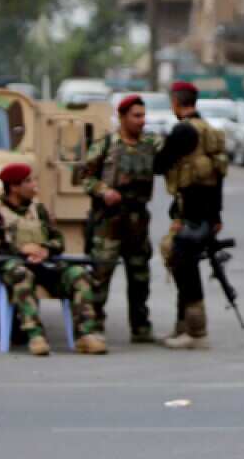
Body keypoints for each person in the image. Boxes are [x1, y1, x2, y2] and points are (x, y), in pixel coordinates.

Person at [0, 163, 106, 356]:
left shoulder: (40, 210)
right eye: (29, 181)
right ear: (14, 187)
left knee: (79, 275)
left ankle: (86, 335)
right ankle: (35, 335)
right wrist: (20, 250)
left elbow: (57, 240)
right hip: (13, 266)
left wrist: (45, 250)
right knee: (22, 275)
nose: (35, 185)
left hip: (45, 265)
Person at [153, 81, 229, 350]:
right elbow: (219, 175)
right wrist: (217, 215)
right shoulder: (208, 131)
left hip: (191, 212)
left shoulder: (183, 131)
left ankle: (196, 332)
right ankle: (183, 326)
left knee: (183, 265)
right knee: (182, 262)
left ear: (176, 101)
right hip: (207, 212)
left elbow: (159, 164)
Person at [80, 94, 161, 348]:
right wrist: (104, 191)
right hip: (109, 221)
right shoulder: (105, 144)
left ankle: (140, 326)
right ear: (123, 117)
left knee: (140, 276)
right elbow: (85, 177)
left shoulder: (151, 144)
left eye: (143, 115)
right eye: (137, 116)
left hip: (137, 221)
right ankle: (93, 326)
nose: (142, 121)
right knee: (100, 275)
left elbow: (170, 157)